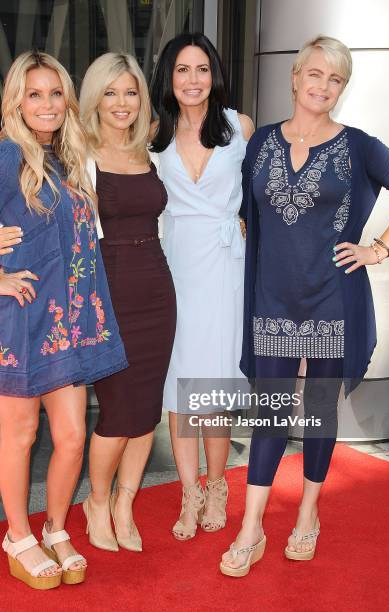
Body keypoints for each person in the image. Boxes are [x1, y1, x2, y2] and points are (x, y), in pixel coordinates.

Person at [221, 35, 389, 578]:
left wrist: (378, 247)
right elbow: (245, 209)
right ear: (294, 78)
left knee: (316, 411)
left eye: (335, 79)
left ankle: (308, 513)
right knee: (271, 415)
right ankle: (252, 527)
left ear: (342, 87)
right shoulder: (260, 142)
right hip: (272, 299)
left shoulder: (358, 145)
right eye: (314, 73)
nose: (323, 85)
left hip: (332, 301)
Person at [0, 50, 127, 589]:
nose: (46, 104)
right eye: (34, 93)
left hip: (64, 324)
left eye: (55, 93)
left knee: (70, 436)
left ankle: (56, 527)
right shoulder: (5, 157)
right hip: (19, 319)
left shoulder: (67, 158)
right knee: (20, 435)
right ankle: (18, 535)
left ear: (67, 100)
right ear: (16, 101)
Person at [0, 52, 176, 553]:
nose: (121, 102)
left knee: (147, 409)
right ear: (91, 99)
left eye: (131, 92)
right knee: (116, 411)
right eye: (110, 92)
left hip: (156, 286)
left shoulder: (152, 153)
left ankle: (124, 504)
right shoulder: (76, 153)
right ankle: (96, 502)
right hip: (98, 291)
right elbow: (24, 201)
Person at [150, 32, 254, 540]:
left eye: (202, 69)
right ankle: (188, 494)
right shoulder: (153, 132)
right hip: (174, 266)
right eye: (182, 70)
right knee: (180, 386)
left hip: (225, 267)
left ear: (215, 74)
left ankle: (218, 486)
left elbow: (264, 197)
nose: (193, 80)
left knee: (214, 386)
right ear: (169, 77)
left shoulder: (240, 127)